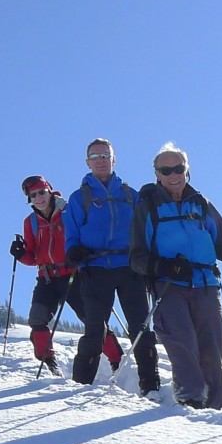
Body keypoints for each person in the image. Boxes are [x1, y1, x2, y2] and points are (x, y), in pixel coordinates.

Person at [128, 142, 222, 409]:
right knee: (182, 344)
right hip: (169, 286)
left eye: (178, 168)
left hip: (207, 285)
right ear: (157, 174)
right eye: (166, 170)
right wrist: (163, 267)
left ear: (187, 170)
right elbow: (136, 257)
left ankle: (217, 409)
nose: (173, 175)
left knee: (213, 350)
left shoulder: (201, 205)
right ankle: (191, 402)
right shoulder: (148, 208)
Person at [62, 138, 159, 393]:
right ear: (88, 163)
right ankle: (80, 386)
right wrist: (73, 250)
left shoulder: (130, 195)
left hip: (130, 268)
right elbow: (71, 232)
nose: (101, 161)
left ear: (114, 159)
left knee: (140, 327)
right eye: (95, 157)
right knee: (95, 329)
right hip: (95, 268)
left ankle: (151, 385)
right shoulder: (79, 198)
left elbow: (146, 228)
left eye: (105, 156)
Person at [7, 175, 84, 372]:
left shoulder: (69, 211)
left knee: (93, 319)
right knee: (37, 319)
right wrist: (20, 254)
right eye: (33, 195)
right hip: (47, 279)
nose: (38, 198)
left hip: (74, 274)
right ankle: (49, 362)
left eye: (41, 192)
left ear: (50, 191)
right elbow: (33, 257)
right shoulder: (31, 222)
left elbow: (85, 237)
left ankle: (116, 360)